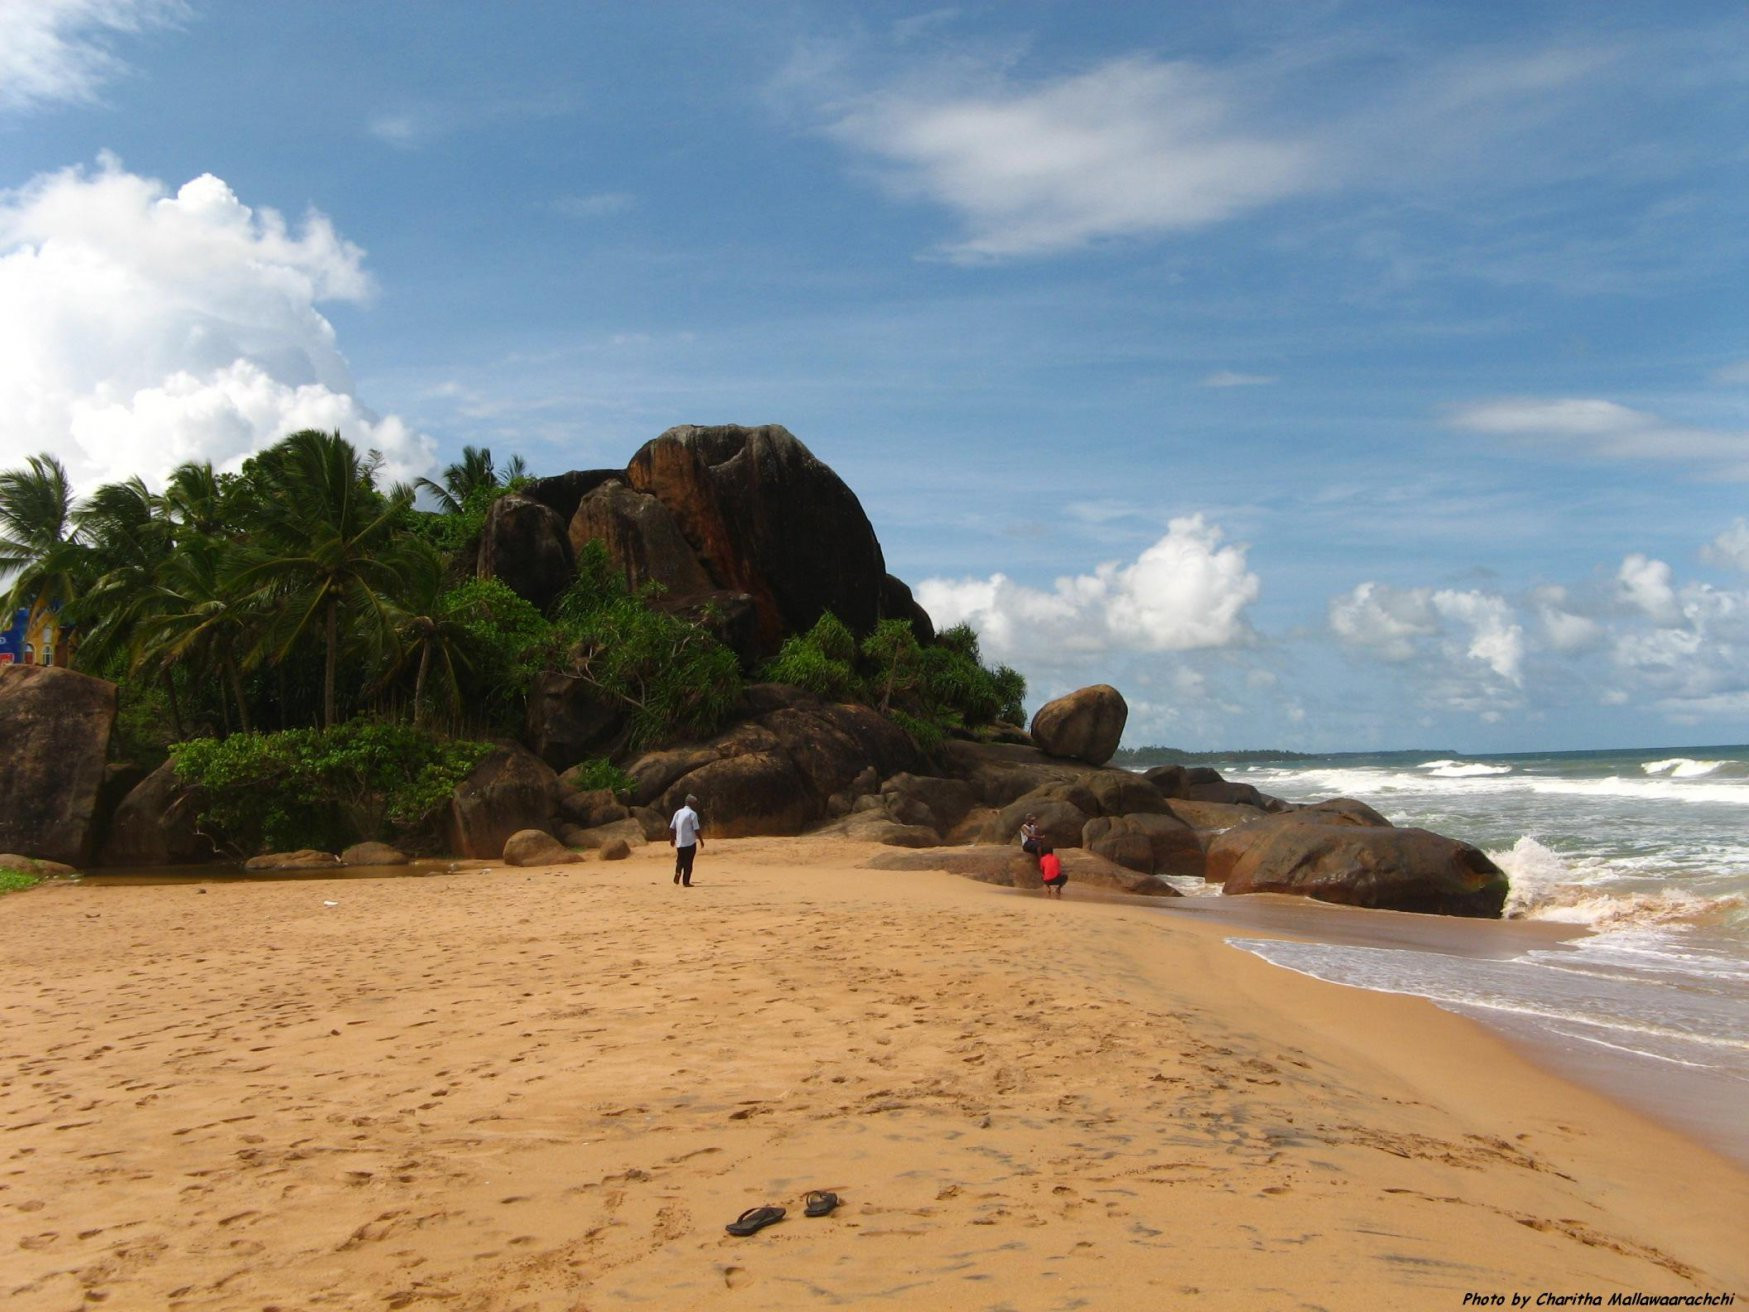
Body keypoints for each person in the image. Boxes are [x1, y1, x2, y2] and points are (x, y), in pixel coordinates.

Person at [670, 793, 702, 886]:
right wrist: (701, 840)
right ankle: (686, 882)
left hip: (679, 842)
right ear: (691, 803)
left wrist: (672, 839)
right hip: (690, 842)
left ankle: (678, 872)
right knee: (689, 862)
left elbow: (671, 828)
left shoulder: (678, 812)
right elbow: (696, 829)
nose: (696, 805)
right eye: (695, 803)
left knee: (680, 859)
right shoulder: (692, 814)